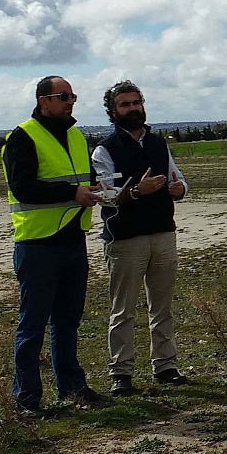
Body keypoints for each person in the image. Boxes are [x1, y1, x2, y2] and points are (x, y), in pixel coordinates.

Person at [1, 75, 110, 419]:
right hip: (38, 243)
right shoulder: (21, 137)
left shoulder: (76, 135)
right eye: (64, 96)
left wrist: (99, 187)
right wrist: (71, 194)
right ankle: (28, 399)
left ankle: (72, 388)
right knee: (32, 323)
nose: (70, 102)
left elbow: (82, 179)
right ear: (43, 100)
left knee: (68, 319)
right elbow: (22, 188)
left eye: (73, 96)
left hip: (72, 238)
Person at [91, 80, 189, 396]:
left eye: (136, 103)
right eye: (125, 104)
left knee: (162, 306)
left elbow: (180, 180)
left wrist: (180, 190)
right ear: (113, 111)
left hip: (162, 233)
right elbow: (105, 197)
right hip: (125, 239)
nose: (133, 108)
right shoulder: (104, 150)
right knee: (124, 309)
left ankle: (166, 366)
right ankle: (121, 373)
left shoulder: (159, 144)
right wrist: (136, 191)